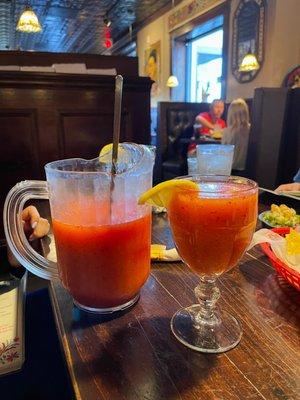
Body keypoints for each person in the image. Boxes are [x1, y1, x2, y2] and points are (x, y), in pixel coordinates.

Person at [221, 98, 250, 172]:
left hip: (231, 170)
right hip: (249, 170)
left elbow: (223, 154)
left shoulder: (227, 131)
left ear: (230, 114)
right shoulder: (252, 130)